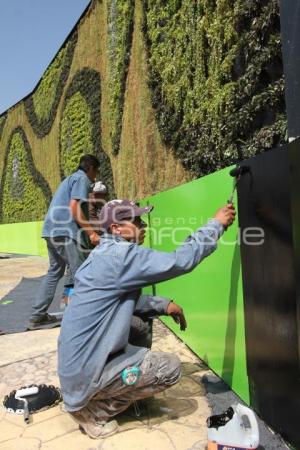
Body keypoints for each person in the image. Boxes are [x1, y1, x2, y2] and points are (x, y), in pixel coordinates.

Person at [58, 199, 235, 438]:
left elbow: (121, 301)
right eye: (136, 221)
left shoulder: (103, 253)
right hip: (86, 375)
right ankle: (94, 411)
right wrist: (216, 224)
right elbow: (180, 261)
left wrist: (164, 305)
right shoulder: (120, 256)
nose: (143, 226)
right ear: (116, 229)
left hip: (77, 369)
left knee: (140, 324)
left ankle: (110, 388)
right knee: (170, 368)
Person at [29, 154, 101, 329]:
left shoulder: (69, 179)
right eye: (96, 172)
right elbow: (75, 209)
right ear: (90, 168)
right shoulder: (81, 179)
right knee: (81, 272)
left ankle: (38, 315)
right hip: (65, 231)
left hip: (51, 230)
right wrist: (91, 233)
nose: (95, 177)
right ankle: (80, 317)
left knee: (55, 271)